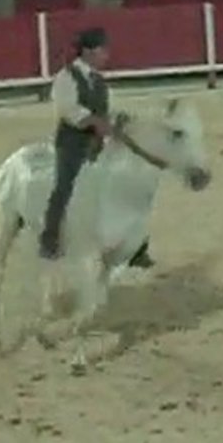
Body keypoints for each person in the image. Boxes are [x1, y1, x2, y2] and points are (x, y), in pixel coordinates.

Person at [38, 27, 154, 269]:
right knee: (64, 186)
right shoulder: (66, 77)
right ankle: (49, 239)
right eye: (103, 50)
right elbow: (68, 109)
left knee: (126, 185)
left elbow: (108, 111)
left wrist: (120, 120)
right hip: (72, 143)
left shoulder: (100, 82)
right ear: (89, 52)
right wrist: (93, 121)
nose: (106, 55)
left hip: (98, 144)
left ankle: (136, 246)